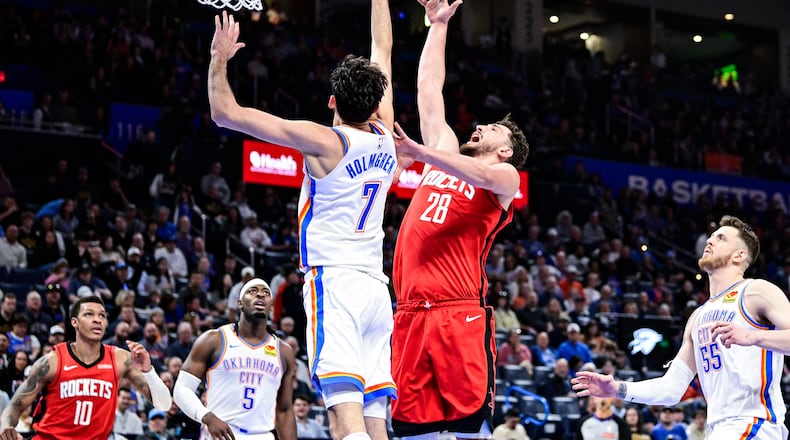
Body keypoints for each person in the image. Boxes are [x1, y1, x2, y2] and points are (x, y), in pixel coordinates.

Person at [207, 1, 396, 439]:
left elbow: (225, 113)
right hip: (375, 288)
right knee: (375, 419)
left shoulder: (324, 141)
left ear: (332, 100)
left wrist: (219, 58)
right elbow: (382, 45)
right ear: (375, 104)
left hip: (336, 284)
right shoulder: (385, 130)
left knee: (342, 419)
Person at [389, 0, 529, 438]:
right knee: (413, 429)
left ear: (505, 149)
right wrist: (438, 25)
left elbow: (480, 173)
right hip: (409, 313)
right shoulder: (445, 153)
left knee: (471, 429)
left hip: (458, 313)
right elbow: (429, 88)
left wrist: (420, 153)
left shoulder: (503, 177)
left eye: (492, 130)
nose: (480, 128)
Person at [573, 215, 790, 439]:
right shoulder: (698, 316)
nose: (710, 241)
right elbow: (672, 388)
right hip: (718, 428)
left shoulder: (756, 291)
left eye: (721, 238)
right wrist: (617, 389)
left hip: (754, 424)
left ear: (739, 255)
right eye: (711, 237)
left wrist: (753, 337)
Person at [0, 296, 171, 439]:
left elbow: (163, 404)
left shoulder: (120, 359)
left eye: (102, 316)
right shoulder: (52, 361)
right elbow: (15, 406)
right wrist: (5, 426)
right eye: (89, 314)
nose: (98, 319)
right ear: (75, 322)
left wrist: (149, 371)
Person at [172, 278, 297, 440]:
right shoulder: (213, 339)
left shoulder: (284, 352)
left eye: (266, 293)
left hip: (262, 436)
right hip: (220, 434)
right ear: (240, 303)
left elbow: (284, 411)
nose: (260, 295)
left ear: (271, 306)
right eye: (253, 291)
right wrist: (207, 417)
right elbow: (181, 389)